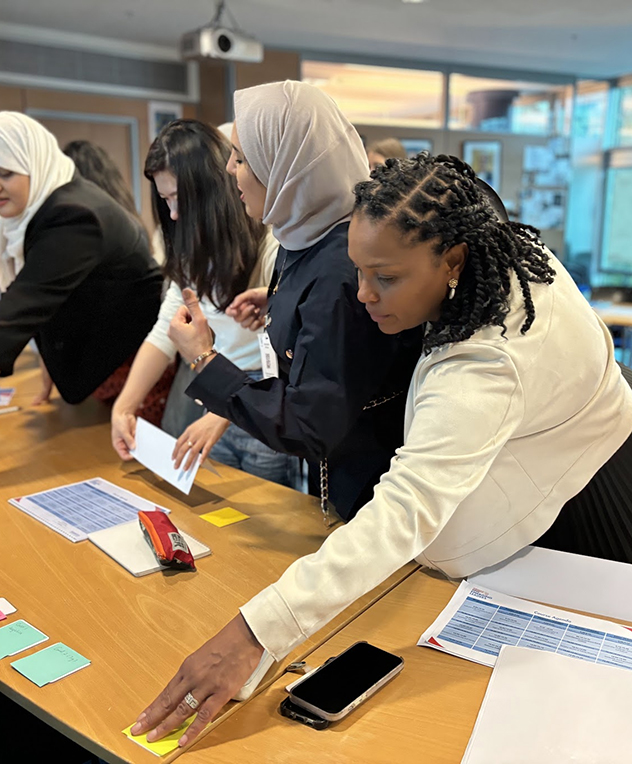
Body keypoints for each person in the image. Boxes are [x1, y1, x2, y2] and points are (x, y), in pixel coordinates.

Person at [132, 152, 632, 747]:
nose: (363, 296)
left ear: (453, 260)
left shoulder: (485, 365)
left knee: (547, 718)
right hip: (550, 476)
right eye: (358, 272)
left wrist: (253, 633)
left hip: (576, 520)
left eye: (385, 278)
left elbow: (405, 509)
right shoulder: (498, 262)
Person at [164, 82, 422, 522]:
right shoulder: (305, 230)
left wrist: (204, 359)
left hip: (372, 490)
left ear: (285, 166)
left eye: (242, 158)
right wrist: (280, 302)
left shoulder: (342, 267)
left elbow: (308, 423)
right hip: (343, 474)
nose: (229, 168)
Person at [0, 112, 163, 468]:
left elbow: (25, 300)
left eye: (4, 172)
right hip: (105, 368)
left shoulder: (73, 212)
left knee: (131, 471)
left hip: (139, 375)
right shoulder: (41, 211)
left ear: (33, 162)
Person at [111, 119, 298, 487]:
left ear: (214, 188)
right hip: (216, 395)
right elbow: (167, 329)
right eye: (166, 202)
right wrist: (125, 405)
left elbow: (291, 356)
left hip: (260, 401)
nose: (175, 214)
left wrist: (229, 407)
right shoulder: (192, 247)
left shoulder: (271, 240)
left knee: (264, 518)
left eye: (180, 199)